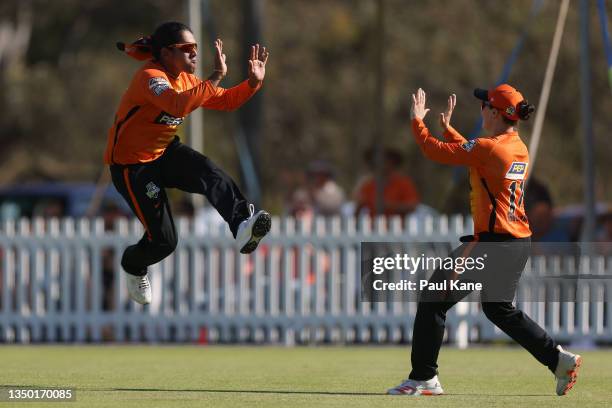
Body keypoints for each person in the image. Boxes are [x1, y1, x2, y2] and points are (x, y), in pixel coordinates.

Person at [387, 85, 581, 396]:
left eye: (483, 105)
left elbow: (433, 151)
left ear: (493, 113)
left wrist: (416, 121)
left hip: (491, 244)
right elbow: (476, 156)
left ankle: (424, 378)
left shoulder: (491, 148)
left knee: (432, 298)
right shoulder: (516, 146)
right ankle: (557, 360)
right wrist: (451, 130)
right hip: (517, 243)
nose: (480, 110)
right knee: (499, 309)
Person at [103, 22, 271, 305]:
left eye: (196, 48)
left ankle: (242, 224)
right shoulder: (150, 77)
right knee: (165, 241)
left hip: (164, 152)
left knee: (210, 172)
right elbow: (176, 105)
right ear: (167, 53)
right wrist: (216, 75)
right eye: (187, 49)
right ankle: (133, 265)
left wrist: (253, 83)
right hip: (133, 167)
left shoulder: (187, 81)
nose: (195, 54)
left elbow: (227, 101)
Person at [354, 148, 420, 217]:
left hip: (397, 226)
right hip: (374, 225)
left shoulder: (404, 183)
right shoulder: (369, 185)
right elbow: (359, 206)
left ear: (392, 162)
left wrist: (391, 206)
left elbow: (412, 206)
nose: (380, 164)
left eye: (384, 160)